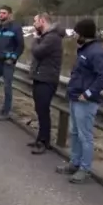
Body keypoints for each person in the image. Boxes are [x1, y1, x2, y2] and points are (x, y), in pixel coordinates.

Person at [56, 19, 103, 184]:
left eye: (77, 33)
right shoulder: (85, 50)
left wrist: (87, 93)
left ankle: (85, 169)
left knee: (85, 136)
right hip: (75, 97)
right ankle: (75, 162)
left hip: (85, 101)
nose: (74, 36)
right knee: (75, 133)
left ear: (84, 34)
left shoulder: (97, 52)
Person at [27, 13, 65, 154]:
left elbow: (38, 52)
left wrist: (35, 39)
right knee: (40, 110)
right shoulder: (46, 37)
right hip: (40, 77)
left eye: (35, 21)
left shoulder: (52, 38)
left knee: (43, 111)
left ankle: (44, 142)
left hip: (47, 79)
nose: (33, 23)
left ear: (42, 21)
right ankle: (40, 138)